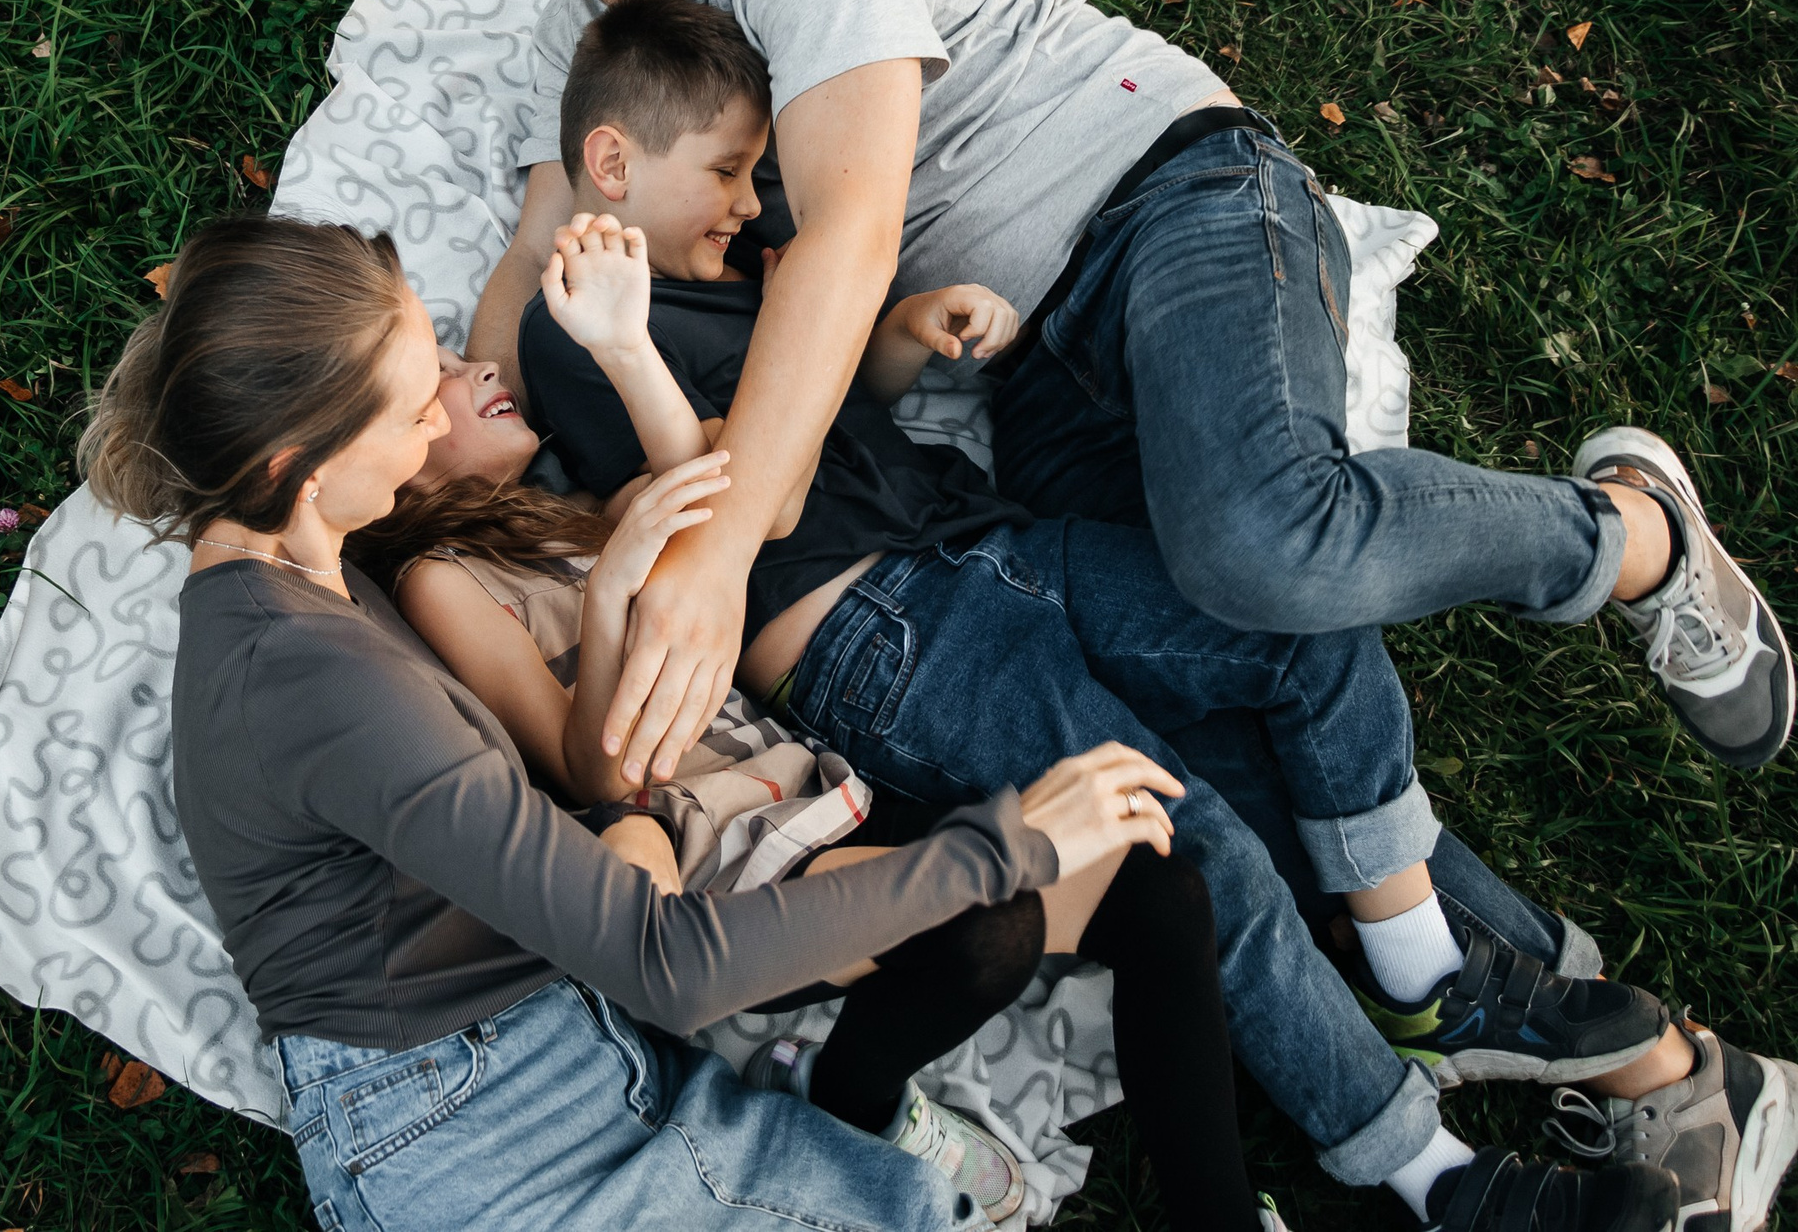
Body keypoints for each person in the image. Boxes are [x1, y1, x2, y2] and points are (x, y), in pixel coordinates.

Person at [513, 0, 1792, 1230]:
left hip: (991, 551)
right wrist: (623, 339)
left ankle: (1424, 976)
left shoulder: (735, 269)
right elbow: (738, 509)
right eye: (728, 172)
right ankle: (1432, 1178)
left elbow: (844, 410)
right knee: (1203, 844)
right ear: (615, 159)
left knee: (1300, 634)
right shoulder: (582, 325)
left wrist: (902, 332)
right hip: (880, 643)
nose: (747, 203)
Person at [457, 0, 1788, 796]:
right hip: (1027, 367)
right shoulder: (579, 38)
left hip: (1167, 203)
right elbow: (533, 244)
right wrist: (441, 452)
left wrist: (722, 543)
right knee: (1198, 679)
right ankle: (1502, 1001)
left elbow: (849, 233)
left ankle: (1631, 535)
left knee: (1264, 543)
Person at [81, 214, 1193, 1232]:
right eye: (412, 406)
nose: (436, 420)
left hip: (559, 1043)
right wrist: (1009, 847)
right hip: (480, 1136)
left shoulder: (299, 568)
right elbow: (664, 963)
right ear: (298, 468)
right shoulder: (305, 669)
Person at [349, 379, 1259, 1228]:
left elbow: (726, 469)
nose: (480, 366)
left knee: (1159, 891)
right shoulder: (440, 580)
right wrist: (615, 592)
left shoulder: (572, 515)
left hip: (819, 789)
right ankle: (852, 1098)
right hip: (722, 856)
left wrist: (625, 344)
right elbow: (588, 773)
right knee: (992, 926)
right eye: (442, 371)